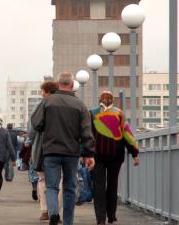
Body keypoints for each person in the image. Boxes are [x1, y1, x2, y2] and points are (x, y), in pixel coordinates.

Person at [32, 72, 95, 225]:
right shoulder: (80, 105)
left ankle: (53, 213)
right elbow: (87, 131)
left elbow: (36, 123)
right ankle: (68, 221)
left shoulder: (47, 102)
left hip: (51, 151)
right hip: (71, 153)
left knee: (51, 186)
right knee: (69, 188)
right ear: (72, 85)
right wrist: (89, 154)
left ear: (58, 84)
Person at [90, 91, 139, 225]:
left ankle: (100, 218)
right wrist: (134, 154)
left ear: (99, 99)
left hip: (97, 155)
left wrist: (85, 154)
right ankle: (111, 215)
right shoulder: (119, 113)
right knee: (112, 185)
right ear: (113, 101)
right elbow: (127, 134)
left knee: (99, 187)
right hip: (115, 155)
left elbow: (87, 134)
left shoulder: (92, 112)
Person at [28, 81, 63, 221]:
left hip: (42, 147)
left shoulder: (40, 105)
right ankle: (56, 211)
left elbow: (32, 129)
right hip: (62, 146)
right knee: (59, 180)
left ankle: (45, 210)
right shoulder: (64, 104)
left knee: (42, 178)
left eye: (42, 91)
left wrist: (29, 141)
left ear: (47, 91)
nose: (42, 94)